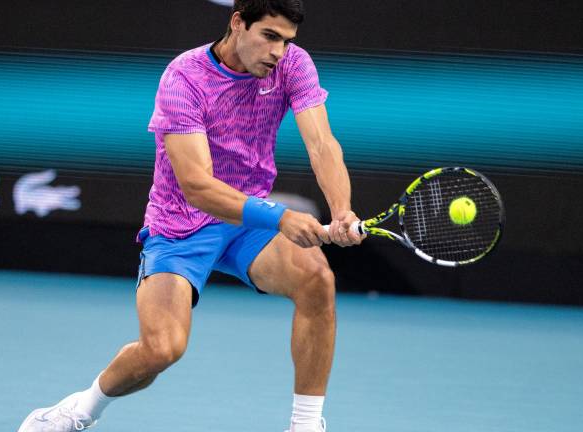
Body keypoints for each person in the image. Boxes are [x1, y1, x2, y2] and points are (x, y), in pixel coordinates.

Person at [18, 1, 362, 431]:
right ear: (238, 23)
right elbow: (196, 187)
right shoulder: (184, 77)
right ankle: (79, 410)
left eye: (287, 41)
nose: (278, 51)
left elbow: (322, 145)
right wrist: (279, 218)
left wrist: (342, 209)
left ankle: (306, 425)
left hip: (246, 224)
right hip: (181, 226)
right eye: (269, 37)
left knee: (317, 280)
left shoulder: (292, 65)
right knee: (162, 349)